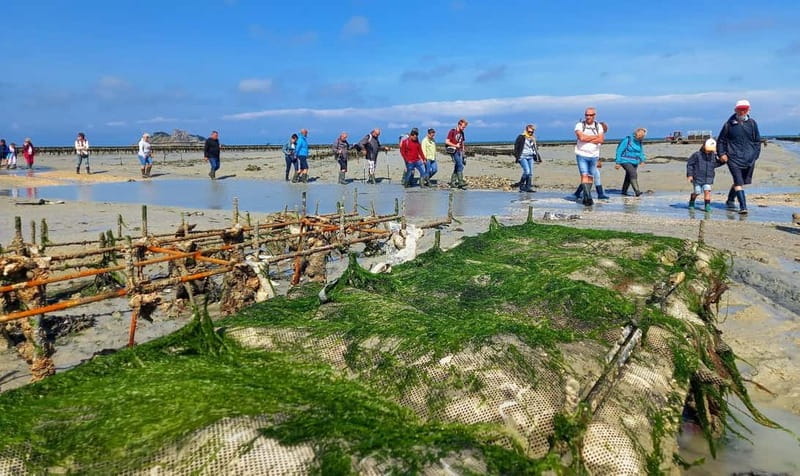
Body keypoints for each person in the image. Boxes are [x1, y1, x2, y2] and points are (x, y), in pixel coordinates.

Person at [717, 99, 761, 214]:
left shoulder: (752, 123)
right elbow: (721, 141)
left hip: (749, 158)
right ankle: (743, 207)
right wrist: (722, 154)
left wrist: (755, 155)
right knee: (738, 181)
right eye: (740, 109)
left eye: (744, 109)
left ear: (748, 110)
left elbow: (757, 141)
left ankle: (730, 200)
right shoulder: (728, 125)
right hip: (733, 158)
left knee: (742, 182)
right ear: (735, 110)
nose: (742, 112)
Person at [573, 108, 605, 205]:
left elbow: (601, 140)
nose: (588, 117)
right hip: (581, 154)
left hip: (594, 155)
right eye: (587, 115)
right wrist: (594, 137)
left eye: (590, 115)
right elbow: (581, 137)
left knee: (591, 176)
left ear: (594, 115)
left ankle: (586, 196)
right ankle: (588, 197)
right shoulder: (580, 125)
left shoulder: (598, 126)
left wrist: (587, 138)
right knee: (584, 175)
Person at [686, 138, 726, 212]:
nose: (709, 151)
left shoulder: (713, 156)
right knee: (697, 192)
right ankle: (692, 200)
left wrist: (723, 161)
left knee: (707, 191)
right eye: (708, 150)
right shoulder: (697, 155)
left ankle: (707, 206)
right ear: (704, 146)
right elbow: (690, 165)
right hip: (697, 178)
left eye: (711, 150)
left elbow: (715, 164)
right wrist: (690, 175)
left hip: (708, 178)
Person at [614, 127, 647, 197]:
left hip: (635, 161)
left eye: (643, 135)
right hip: (625, 160)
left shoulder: (639, 142)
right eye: (640, 134)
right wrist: (618, 162)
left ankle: (624, 191)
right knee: (633, 173)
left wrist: (642, 160)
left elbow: (641, 152)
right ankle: (637, 191)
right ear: (636, 133)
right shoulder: (627, 140)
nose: (641, 136)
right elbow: (619, 151)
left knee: (628, 176)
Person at [512, 124, 540, 193]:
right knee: (527, 171)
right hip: (522, 157)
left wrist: (537, 157)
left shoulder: (533, 138)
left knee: (530, 173)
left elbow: (535, 148)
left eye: (532, 132)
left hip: (530, 156)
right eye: (529, 131)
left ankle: (528, 187)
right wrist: (517, 156)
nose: (530, 133)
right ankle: (521, 185)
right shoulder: (521, 137)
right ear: (526, 130)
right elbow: (516, 147)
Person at [446, 119, 468, 189]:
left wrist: (463, 150)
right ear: (459, 125)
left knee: (457, 166)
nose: (464, 128)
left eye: (464, 127)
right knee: (460, 166)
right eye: (463, 127)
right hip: (453, 151)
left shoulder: (462, 133)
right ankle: (460, 181)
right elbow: (447, 142)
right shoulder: (452, 131)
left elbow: (462, 142)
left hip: (459, 151)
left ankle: (452, 182)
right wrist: (455, 145)